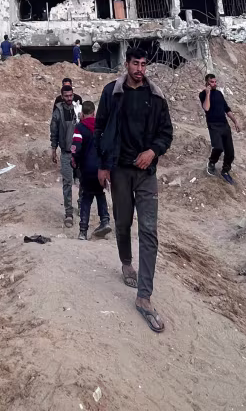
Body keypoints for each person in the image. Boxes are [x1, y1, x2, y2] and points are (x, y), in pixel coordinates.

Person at [95, 48, 174, 334]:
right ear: (126, 64)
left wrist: (153, 151)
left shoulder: (156, 96)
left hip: (146, 173)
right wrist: (102, 166)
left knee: (149, 231)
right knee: (123, 222)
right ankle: (126, 263)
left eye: (143, 64)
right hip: (119, 169)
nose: (140, 69)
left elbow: (166, 133)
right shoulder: (112, 92)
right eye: (135, 64)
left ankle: (144, 296)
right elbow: (100, 129)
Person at [71, 100, 112, 240]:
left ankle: (83, 231)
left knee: (86, 198)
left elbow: (76, 148)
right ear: (94, 113)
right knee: (100, 193)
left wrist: (75, 162)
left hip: (86, 168)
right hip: (101, 167)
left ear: (82, 114)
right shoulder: (102, 128)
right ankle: (105, 221)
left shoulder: (79, 128)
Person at [50, 80, 83, 228]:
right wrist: (53, 149)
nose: (69, 98)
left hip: (80, 153)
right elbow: (54, 131)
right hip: (66, 153)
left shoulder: (79, 109)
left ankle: (82, 206)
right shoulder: (58, 111)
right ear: (62, 97)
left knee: (83, 182)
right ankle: (68, 213)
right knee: (67, 183)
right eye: (66, 96)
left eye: (71, 95)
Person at [200, 73, 242, 183]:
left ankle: (225, 171)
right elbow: (206, 108)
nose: (214, 84)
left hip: (224, 125)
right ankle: (211, 162)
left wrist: (235, 121)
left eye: (215, 82)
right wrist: (207, 93)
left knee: (230, 152)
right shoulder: (203, 94)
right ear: (207, 82)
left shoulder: (219, 94)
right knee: (218, 147)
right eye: (211, 82)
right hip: (213, 125)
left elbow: (227, 109)